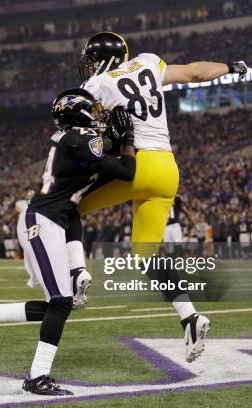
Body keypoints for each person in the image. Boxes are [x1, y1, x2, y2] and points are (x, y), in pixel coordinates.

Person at [0, 88, 135, 395]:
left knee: (60, 302)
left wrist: (78, 267)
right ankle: (37, 377)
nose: (98, 115)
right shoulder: (77, 139)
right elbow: (127, 171)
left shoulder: (77, 142)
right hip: (41, 223)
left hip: (53, 222)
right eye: (93, 110)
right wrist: (126, 139)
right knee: (61, 302)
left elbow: (79, 205)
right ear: (79, 113)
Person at [76, 31, 228, 362]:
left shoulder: (97, 86)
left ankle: (75, 275)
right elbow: (194, 72)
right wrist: (230, 66)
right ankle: (189, 318)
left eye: (91, 62)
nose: (88, 69)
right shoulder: (148, 63)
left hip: (137, 165)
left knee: (68, 207)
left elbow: (84, 137)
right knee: (146, 255)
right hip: (167, 171)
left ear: (103, 59)